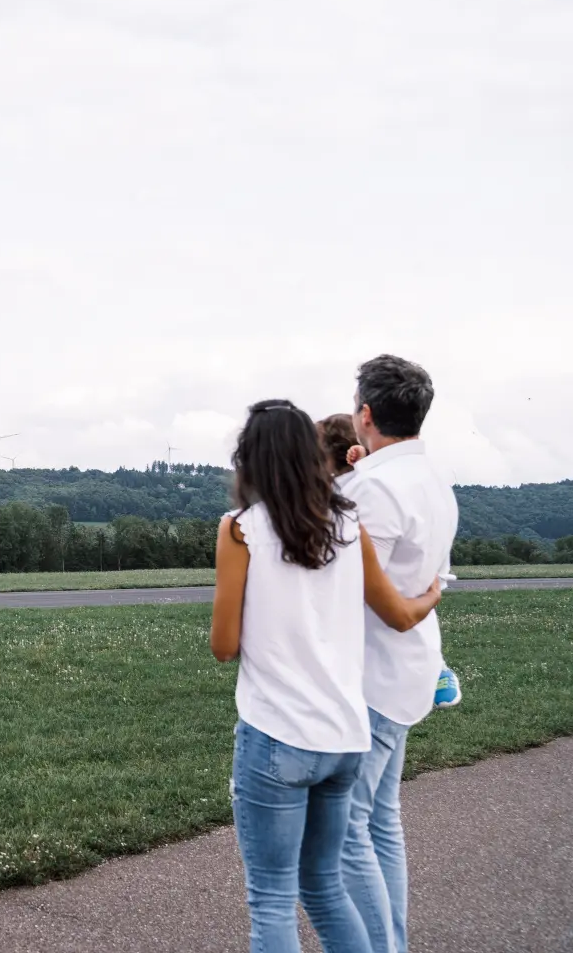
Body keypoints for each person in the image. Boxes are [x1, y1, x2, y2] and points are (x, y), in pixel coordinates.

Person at [211, 398, 442, 953]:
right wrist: (433, 591)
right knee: (325, 888)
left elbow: (223, 646)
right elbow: (398, 613)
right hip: (344, 735)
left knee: (271, 899)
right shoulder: (347, 523)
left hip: (276, 736)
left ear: (251, 459)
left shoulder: (240, 531)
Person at [336, 355, 460, 953]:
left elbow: (350, 581)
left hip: (373, 679)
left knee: (347, 832)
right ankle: (394, 941)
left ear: (365, 413)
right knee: (382, 820)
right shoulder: (432, 479)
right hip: (411, 669)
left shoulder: (376, 488)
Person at [322, 414, 462, 712]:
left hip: (378, 668)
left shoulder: (355, 490)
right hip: (427, 576)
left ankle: (437, 668)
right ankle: (437, 667)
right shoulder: (415, 480)